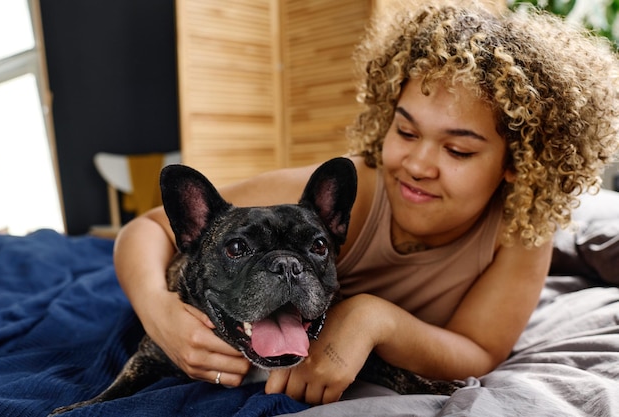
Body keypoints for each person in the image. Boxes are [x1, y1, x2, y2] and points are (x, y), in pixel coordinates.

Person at [113, 0, 619, 407]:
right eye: (405, 130)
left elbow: (480, 349)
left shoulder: (524, 228)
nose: (419, 163)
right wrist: (159, 311)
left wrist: (374, 318)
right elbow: (146, 229)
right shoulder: (363, 186)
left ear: (518, 161)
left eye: (458, 149)